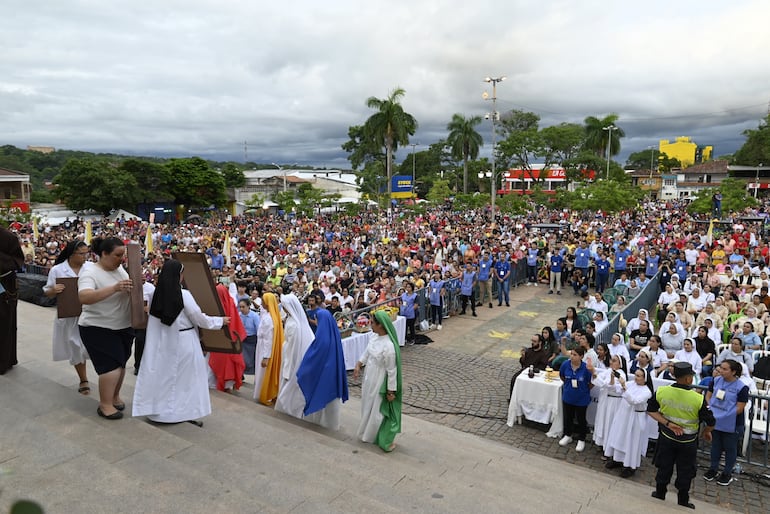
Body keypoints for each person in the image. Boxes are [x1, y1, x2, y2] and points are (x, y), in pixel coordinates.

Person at [132, 260, 230, 424]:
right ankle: (182, 413)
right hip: (185, 341)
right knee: (187, 380)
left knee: (167, 377)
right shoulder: (183, 294)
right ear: (178, 275)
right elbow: (199, 318)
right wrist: (220, 321)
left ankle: (160, 411)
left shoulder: (158, 293)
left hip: (165, 343)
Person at [77, 237, 133, 420]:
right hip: (98, 326)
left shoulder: (120, 269)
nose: (121, 259)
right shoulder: (89, 272)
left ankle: (114, 396)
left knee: (121, 363)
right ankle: (105, 404)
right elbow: (85, 297)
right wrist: (114, 288)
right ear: (104, 254)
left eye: (123, 255)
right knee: (111, 367)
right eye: (117, 255)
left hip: (122, 325)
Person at [647, 362, 715, 509]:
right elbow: (711, 421)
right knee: (686, 471)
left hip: (666, 437)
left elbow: (651, 410)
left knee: (664, 466)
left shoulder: (662, 391)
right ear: (689, 379)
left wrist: (667, 423)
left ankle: (660, 493)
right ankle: (683, 500)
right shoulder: (698, 398)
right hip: (688, 442)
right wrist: (706, 432)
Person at [43, 240, 93, 394]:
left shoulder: (91, 268)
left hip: (90, 313)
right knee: (75, 346)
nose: (85, 257)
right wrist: (54, 289)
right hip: (69, 315)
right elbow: (46, 291)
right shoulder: (58, 270)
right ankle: (83, 379)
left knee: (91, 346)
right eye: (82, 253)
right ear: (72, 254)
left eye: (87, 253)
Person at [353, 310, 402, 452]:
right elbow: (367, 352)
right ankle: (365, 431)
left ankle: (375, 435)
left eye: (373, 323)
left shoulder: (389, 346)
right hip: (369, 376)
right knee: (366, 404)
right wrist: (358, 364)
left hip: (379, 379)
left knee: (376, 409)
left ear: (381, 325)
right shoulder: (373, 337)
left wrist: (391, 390)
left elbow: (392, 370)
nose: (370, 324)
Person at [297, 309, 349, 429]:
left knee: (320, 403)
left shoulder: (321, 340)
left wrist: (303, 370)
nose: (315, 322)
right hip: (332, 376)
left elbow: (313, 358)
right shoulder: (334, 336)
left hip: (323, 376)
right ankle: (332, 426)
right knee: (332, 407)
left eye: (316, 319)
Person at [703, 359, 750, 486]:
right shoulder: (716, 381)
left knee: (730, 448)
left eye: (725, 369)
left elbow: (740, 408)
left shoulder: (742, 388)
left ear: (734, 372)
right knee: (715, 446)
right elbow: (708, 396)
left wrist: (723, 414)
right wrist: (711, 408)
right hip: (716, 420)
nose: (721, 371)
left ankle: (727, 472)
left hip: (732, 422)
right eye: (720, 368)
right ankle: (713, 468)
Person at [603, 368, 654, 478]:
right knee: (619, 436)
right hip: (624, 415)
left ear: (645, 379)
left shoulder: (647, 391)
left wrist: (624, 387)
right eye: (635, 375)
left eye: (639, 376)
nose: (636, 378)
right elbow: (614, 388)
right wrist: (613, 378)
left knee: (631, 441)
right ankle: (617, 459)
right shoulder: (631, 384)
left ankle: (630, 466)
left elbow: (634, 401)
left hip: (635, 418)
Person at [274, 293, 315, 418]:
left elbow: (294, 346)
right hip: (288, 351)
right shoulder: (293, 320)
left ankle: (290, 408)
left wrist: (288, 364)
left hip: (292, 356)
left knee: (291, 381)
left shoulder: (294, 324)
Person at [0, 223, 24, 375]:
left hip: (5, 286)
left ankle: (4, 361)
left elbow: (18, 261)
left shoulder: (8, 237)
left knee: (5, 324)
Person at [558, 347, 592, 452]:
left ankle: (581, 439)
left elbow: (591, 383)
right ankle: (568, 435)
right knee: (569, 417)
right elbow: (562, 376)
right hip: (568, 396)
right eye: (571, 354)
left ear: (581, 357)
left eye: (575, 355)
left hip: (581, 398)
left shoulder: (586, 368)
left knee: (581, 419)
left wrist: (584, 390)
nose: (572, 356)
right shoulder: (565, 365)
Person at [254, 292, 284, 405]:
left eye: (263, 300)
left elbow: (268, 339)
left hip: (264, 349)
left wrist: (266, 356)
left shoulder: (269, 319)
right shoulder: (269, 315)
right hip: (262, 346)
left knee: (263, 371)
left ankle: (265, 394)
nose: (261, 302)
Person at [238, 298, 260, 376]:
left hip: (251, 339)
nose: (241, 309)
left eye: (243, 307)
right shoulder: (239, 315)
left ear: (248, 306)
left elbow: (258, 329)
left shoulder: (254, 316)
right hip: (242, 339)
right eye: (240, 307)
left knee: (250, 358)